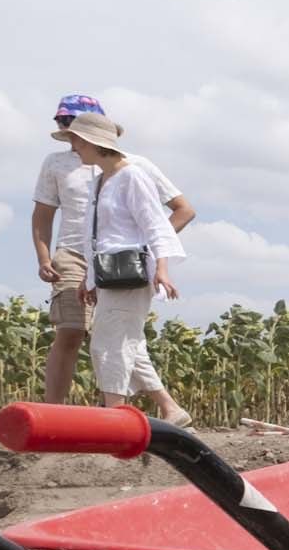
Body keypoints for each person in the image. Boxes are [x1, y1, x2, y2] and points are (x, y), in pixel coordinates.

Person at [31, 93, 195, 404]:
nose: (67, 134)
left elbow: (178, 211)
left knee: (115, 338)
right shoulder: (56, 163)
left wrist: (146, 253)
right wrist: (44, 257)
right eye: (63, 123)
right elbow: (42, 215)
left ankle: (135, 410)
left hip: (121, 260)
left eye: (72, 126)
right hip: (76, 255)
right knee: (72, 330)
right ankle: (56, 413)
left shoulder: (135, 167)